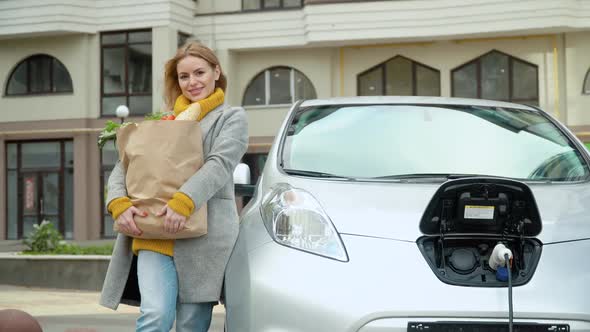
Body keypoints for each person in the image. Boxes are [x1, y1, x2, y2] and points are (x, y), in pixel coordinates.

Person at [100, 41, 249, 332]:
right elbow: (125, 166)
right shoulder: (162, 120)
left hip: (203, 239)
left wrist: (184, 202)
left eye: (200, 73)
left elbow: (219, 165)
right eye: (184, 76)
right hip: (153, 232)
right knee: (155, 316)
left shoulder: (231, 118)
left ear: (216, 72)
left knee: (192, 324)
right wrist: (118, 205)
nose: (192, 82)